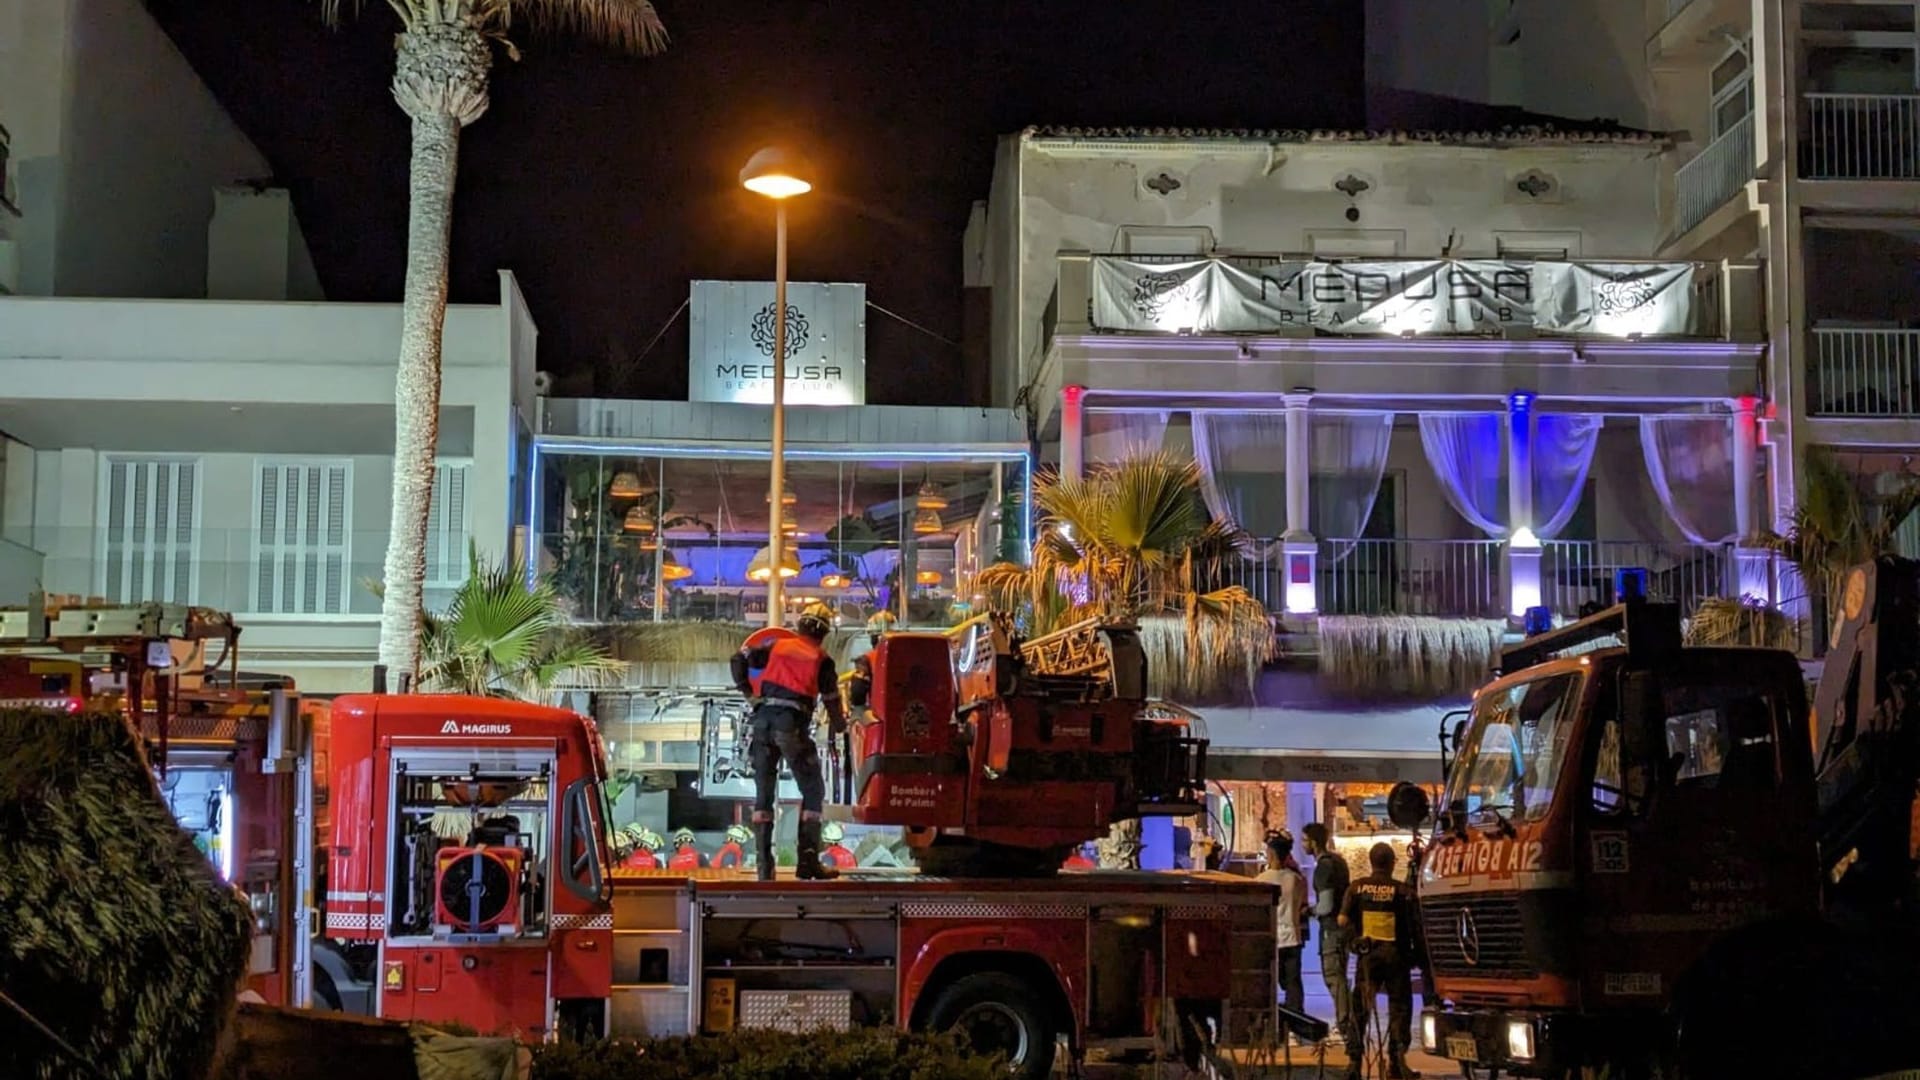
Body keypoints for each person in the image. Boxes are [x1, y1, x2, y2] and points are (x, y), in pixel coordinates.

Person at [730, 602, 848, 882]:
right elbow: (832, 702)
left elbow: (738, 659)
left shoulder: (776, 646)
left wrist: (749, 694)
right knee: (814, 789)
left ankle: (764, 870)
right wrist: (842, 726)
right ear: (824, 633)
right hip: (791, 727)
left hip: (761, 726)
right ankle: (807, 862)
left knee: (763, 797)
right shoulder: (822, 660)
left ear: (800, 626)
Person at [1338, 842, 1422, 1080]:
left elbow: (1343, 921)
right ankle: (1397, 1062)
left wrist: (1354, 942)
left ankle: (1354, 1064)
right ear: (1393, 863)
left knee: (1360, 1010)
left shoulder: (1356, 888)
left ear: (1372, 862)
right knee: (1400, 1009)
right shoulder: (1403, 891)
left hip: (1368, 958)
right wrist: (1419, 957)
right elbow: (1416, 928)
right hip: (1396, 959)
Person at [1302, 823, 1351, 1042]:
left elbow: (1326, 905)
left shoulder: (1323, 867)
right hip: (1344, 929)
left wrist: (1308, 911)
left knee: (1333, 977)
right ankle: (1348, 1022)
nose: (1302, 844)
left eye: (1304, 840)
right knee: (1339, 975)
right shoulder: (1339, 862)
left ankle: (1346, 1025)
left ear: (1313, 842)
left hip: (1331, 929)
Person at [1256, 830, 1309, 1022]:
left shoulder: (1261, 880)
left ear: (1270, 853)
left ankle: (1268, 1023)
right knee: (1293, 984)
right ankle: (1297, 1023)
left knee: (1267, 982)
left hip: (1271, 939)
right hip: (1293, 938)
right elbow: (1302, 905)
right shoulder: (1296, 879)